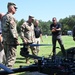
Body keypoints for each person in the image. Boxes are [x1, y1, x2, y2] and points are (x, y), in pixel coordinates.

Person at [1, 2, 19, 69]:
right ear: (11, 8)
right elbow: (13, 30)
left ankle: (6, 71)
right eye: (15, 8)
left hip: (5, 41)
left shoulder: (3, 17)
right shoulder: (11, 17)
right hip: (11, 42)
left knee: (7, 58)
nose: (16, 10)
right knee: (11, 58)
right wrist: (16, 40)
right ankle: (8, 71)